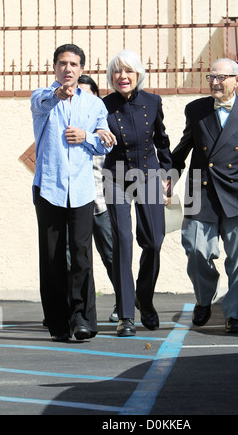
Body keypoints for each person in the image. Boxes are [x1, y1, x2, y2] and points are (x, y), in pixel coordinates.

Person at [171, 58, 238, 333]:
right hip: (200, 190)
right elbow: (183, 148)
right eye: (211, 77)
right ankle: (205, 298)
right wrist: (169, 176)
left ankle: (235, 315)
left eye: (221, 77)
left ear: (236, 80)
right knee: (195, 250)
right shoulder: (196, 109)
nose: (214, 82)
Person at [31, 44, 116, 342]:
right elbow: (42, 104)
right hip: (49, 189)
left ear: (81, 69)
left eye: (74, 64)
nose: (68, 69)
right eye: (63, 63)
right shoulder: (42, 97)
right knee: (52, 257)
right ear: (54, 67)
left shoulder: (93, 105)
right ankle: (57, 322)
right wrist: (57, 95)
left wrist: (88, 136)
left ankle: (82, 319)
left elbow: (106, 142)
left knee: (81, 255)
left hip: (81, 190)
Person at [102, 50, 172, 337]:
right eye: (117, 72)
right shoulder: (102, 105)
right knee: (123, 242)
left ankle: (145, 298)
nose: (122, 76)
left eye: (128, 71)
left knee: (154, 242)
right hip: (116, 177)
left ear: (138, 74)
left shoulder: (153, 102)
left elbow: (162, 140)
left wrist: (168, 173)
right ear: (111, 77)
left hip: (150, 173)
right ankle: (126, 315)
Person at [78, 74, 117, 322]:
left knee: (112, 257)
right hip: (75, 206)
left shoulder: (105, 128)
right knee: (77, 262)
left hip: (102, 205)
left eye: (87, 92)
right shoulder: (67, 125)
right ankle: (77, 310)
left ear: (96, 96)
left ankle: (124, 304)